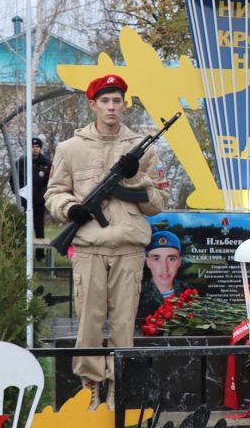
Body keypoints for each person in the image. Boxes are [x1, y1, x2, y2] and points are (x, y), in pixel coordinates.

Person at [45, 75, 164, 403]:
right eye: (105, 101)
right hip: (90, 247)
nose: (112, 107)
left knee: (124, 323)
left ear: (125, 105)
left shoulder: (144, 149)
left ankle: (117, 391)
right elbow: (54, 193)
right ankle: (90, 390)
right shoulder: (70, 148)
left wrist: (135, 175)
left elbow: (157, 203)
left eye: (117, 101)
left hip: (128, 247)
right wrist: (71, 210)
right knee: (89, 322)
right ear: (93, 104)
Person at [136, 228, 195, 323]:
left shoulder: (188, 290)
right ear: (147, 262)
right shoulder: (137, 294)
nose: (164, 267)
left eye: (171, 259)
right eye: (156, 259)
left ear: (179, 262)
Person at [15, 137, 51, 239]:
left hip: (39, 202)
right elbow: (14, 181)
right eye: (32, 146)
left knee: (39, 228)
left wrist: (44, 196)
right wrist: (19, 195)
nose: (34, 149)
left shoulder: (47, 164)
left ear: (40, 148)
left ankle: (40, 254)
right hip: (25, 201)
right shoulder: (21, 163)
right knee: (24, 228)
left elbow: (51, 182)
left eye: (37, 147)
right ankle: (24, 252)